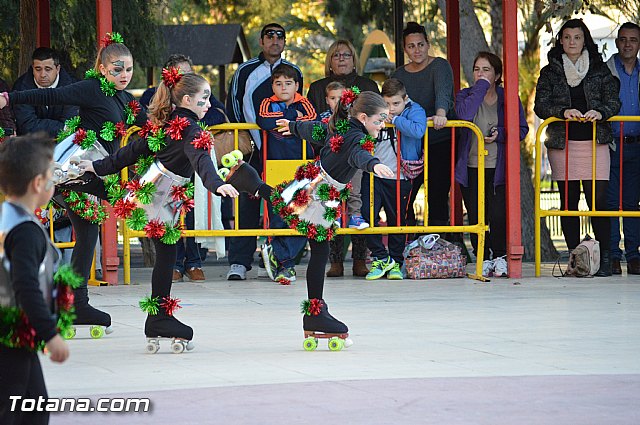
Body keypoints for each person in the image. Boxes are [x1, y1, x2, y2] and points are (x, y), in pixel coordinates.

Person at [0, 33, 147, 332]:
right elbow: (49, 96)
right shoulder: (91, 89)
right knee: (106, 214)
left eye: (128, 69)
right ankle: (62, 299)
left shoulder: (124, 99)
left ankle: (74, 302)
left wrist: (180, 126)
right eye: (117, 69)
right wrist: (9, 98)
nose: (124, 75)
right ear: (103, 68)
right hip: (74, 172)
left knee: (87, 234)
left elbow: (148, 122)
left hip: (92, 173)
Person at [81, 71, 238, 348]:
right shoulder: (191, 129)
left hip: (156, 192)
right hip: (158, 196)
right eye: (205, 98)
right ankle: (159, 318)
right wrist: (217, 185)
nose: (210, 104)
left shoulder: (169, 124)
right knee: (166, 255)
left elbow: (132, 151)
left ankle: (159, 317)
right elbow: (201, 160)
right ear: (187, 99)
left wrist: (100, 166)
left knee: (167, 254)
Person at [224, 90, 394, 344]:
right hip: (318, 189)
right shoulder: (355, 137)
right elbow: (358, 154)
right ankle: (314, 310)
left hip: (319, 185)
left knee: (300, 223)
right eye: (379, 120)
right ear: (362, 116)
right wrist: (374, 164)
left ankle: (315, 311)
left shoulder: (342, 126)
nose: (382, 126)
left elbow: (317, 130)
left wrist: (293, 126)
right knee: (316, 243)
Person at [534, 18, 621, 277]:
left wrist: (600, 112)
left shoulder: (599, 70)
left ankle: (604, 259)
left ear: (585, 40)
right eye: (568, 37)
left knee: (599, 203)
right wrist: (562, 111)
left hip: (596, 143)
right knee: (568, 203)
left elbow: (613, 102)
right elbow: (541, 105)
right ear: (561, 40)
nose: (572, 42)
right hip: (563, 144)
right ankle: (576, 259)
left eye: (578, 37)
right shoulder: (550, 71)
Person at [0, 133, 70, 425]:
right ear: (39, 184)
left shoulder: (8, 217)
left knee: (34, 409)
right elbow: (25, 285)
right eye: (53, 175)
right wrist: (50, 335)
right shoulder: (25, 231)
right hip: (11, 335)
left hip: (14, 335)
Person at [225, 23, 303, 281]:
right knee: (248, 201)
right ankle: (239, 262)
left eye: (280, 36)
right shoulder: (245, 71)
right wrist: (245, 139)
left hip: (284, 151)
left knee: (283, 204)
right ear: (261, 41)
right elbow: (234, 103)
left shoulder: (294, 71)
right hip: (254, 149)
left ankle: (278, 258)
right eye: (269, 36)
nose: (275, 40)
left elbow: (301, 106)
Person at [140, 53, 227, 283]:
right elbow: (145, 123)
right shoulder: (154, 95)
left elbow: (219, 115)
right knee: (169, 215)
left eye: (189, 73)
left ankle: (194, 262)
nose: (185, 77)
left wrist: (195, 125)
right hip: (167, 168)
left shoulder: (201, 96)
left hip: (195, 163)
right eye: (180, 74)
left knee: (192, 214)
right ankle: (174, 264)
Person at [455, 52, 529, 278]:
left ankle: (499, 256)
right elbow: (464, 115)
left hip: (498, 167)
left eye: (486, 70)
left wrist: (501, 134)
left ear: (497, 75)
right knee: (477, 216)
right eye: (477, 69)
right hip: (471, 166)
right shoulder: (465, 95)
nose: (480, 73)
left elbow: (522, 129)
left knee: (497, 215)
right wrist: (480, 87)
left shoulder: (508, 97)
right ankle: (482, 257)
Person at [392, 22, 456, 231]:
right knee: (406, 192)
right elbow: (392, 101)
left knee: (437, 192)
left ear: (428, 45)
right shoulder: (399, 75)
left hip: (439, 138)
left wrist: (440, 114)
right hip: (410, 142)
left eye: (420, 44)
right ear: (405, 49)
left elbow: (443, 93)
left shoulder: (439, 66)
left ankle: (438, 243)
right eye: (411, 46)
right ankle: (407, 239)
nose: (416, 50)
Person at [256, 64, 316, 282]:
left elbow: (311, 120)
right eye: (278, 83)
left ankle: (281, 257)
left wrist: (288, 120)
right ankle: (286, 265)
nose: (283, 88)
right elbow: (264, 121)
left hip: (301, 169)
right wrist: (292, 118)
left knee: (302, 217)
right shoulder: (266, 103)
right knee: (277, 217)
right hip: (275, 168)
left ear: (297, 86)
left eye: (288, 84)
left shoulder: (305, 103)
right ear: (272, 85)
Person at [362, 78, 426, 280]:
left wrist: (396, 120)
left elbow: (418, 130)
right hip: (373, 173)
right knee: (365, 216)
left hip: (400, 175)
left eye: (396, 104)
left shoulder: (414, 110)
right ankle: (381, 258)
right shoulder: (375, 111)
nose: (390, 109)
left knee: (397, 219)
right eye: (386, 103)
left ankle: (396, 262)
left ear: (405, 99)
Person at [606, 22, 640, 275]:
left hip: (637, 147)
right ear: (617, 42)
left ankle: (633, 255)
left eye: (633, 40)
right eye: (623, 39)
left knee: (631, 203)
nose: (628, 44)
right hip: (610, 145)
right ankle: (613, 256)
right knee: (609, 203)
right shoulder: (605, 71)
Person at [12, 47, 78, 137]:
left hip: (65, 144)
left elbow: (71, 124)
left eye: (48, 69)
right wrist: (61, 127)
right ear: (32, 68)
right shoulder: (20, 87)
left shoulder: (72, 87)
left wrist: (40, 125)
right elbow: (27, 126)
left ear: (57, 69)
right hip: (30, 144)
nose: (43, 75)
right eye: (38, 69)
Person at [306, 39, 380, 114]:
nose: (341, 59)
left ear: (354, 61)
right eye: (336, 55)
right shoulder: (316, 89)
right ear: (330, 62)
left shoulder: (369, 86)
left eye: (346, 55)